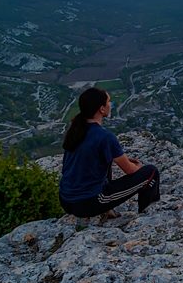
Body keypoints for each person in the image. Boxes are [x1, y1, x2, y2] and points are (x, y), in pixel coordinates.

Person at [59, 86, 160, 218]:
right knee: (151, 172)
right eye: (108, 102)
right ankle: (148, 217)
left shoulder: (75, 131)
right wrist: (138, 167)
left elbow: (85, 156)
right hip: (87, 202)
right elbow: (130, 170)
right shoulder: (105, 137)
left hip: (66, 200)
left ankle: (107, 211)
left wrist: (121, 157)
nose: (110, 104)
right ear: (101, 109)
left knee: (108, 160)